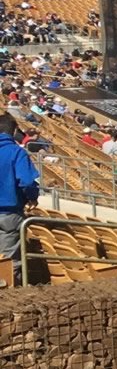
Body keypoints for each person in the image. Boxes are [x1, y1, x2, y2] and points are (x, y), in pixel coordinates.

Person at [0, 111, 40, 281]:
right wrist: (32, 197)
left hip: (9, 211)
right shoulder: (17, 152)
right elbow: (27, 182)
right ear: (14, 130)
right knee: (9, 262)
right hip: (9, 212)